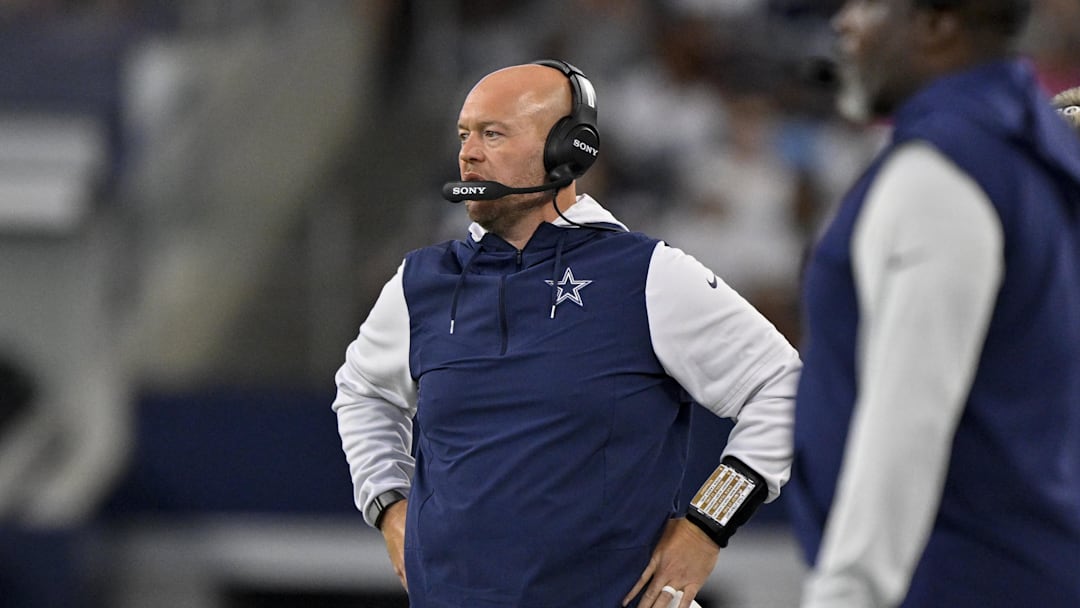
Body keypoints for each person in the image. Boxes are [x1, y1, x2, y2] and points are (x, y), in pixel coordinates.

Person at [332, 60, 801, 607]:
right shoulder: (419, 284)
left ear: (568, 150)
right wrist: (388, 506)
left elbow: (785, 387)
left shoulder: (646, 274)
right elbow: (362, 392)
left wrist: (707, 524)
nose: (469, 153)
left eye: (493, 134)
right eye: (464, 135)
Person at [788, 1, 1080, 607]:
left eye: (868, 4)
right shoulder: (1034, 145)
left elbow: (910, 419)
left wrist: (848, 593)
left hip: (948, 579)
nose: (843, 22)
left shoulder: (943, 172)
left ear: (939, 23)